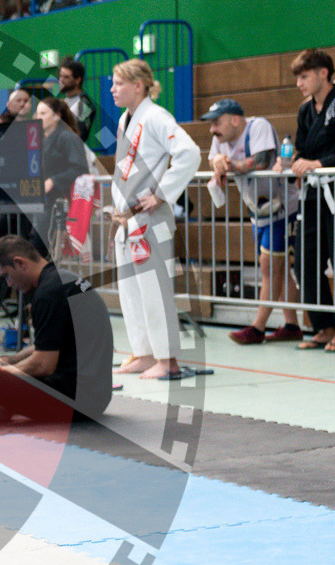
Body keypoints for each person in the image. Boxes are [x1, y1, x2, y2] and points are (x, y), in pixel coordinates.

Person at [0, 234, 113, 422]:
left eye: (7, 276)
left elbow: (43, 364)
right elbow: (44, 346)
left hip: (77, 401)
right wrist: (5, 361)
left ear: (20, 263)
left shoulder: (48, 294)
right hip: (95, 396)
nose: (9, 284)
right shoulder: (61, 279)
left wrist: (0, 371)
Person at [110, 58, 201, 379]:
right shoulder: (125, 120)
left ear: (138, 85)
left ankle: (168, 360)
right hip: (128, 219)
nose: (112, 89)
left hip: (150, 217)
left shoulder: (157, 117)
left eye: (118, 83)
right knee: (132, 293)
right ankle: (146, 353)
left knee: (155, 291)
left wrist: (161, 193)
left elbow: (190, 153)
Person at [202, 99, 302, 344]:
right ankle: (292, 325)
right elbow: (214, 160)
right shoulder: (220, 138)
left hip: (283, 209)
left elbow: (261, 161)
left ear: (235, 120)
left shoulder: (258, 127)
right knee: (280, 269)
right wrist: (217, 161)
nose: (212, 129)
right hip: (259, 211)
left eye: (217, 122)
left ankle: (257, 328)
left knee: (269, 266)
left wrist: (228, 165)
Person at [288, 48, 335, 351]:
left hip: (334, 187)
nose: (299, 83)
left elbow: (315, 158)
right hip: (313, 194)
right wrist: (294, 162)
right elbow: (302, 148)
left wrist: (319, 163)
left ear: (323, 73)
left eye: (304, 77)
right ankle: (325, 326)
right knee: (305, 259)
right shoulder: (306, 111)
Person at [57, 57, 96, 142]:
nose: (61, 80)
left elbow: (81, 135)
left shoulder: (85, 104)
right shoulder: (62, 101)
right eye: (60, 76)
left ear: (78, 80)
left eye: (66, 77)